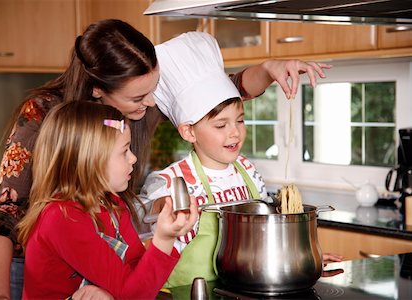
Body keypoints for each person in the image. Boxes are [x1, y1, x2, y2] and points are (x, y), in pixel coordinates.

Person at [0, 18, 332, 299]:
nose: (152, 104)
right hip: (34, 268)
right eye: (140, 97)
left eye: (155, 90)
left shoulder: (115, 206)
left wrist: (270, 69)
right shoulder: (43, 115)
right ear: (99, 90)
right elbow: (5, 212)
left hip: (107, 259)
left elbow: (220, 94)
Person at [139, 32, 342, 288]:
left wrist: (300, 262)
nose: (234, 132)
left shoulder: (246, 170)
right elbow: (142, 248)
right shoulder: (170, 183)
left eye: (240, 120)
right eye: (221, 125)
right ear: (189, 131)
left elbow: (266, 237)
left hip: (240, 289)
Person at [16, 101, 198, 299]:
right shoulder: (62, 218)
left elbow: (138, 275)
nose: (133, 159)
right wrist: (164, 239)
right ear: (90, 160)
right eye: (124, 151)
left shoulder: (113, 205)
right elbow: (133, 295)